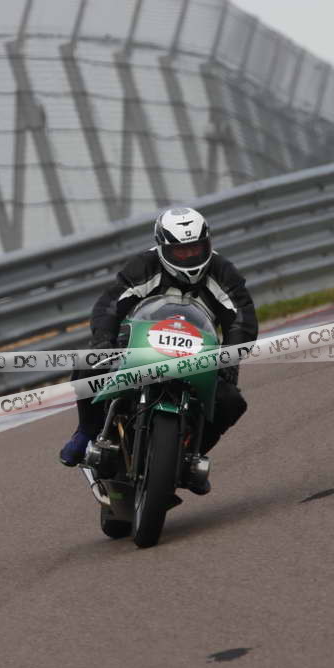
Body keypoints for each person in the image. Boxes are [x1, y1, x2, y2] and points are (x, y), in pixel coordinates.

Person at [59, 207, 258, 491]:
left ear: (208, 243)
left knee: (231, 402)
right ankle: (86, 431)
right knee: (88, 364)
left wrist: (230, 357)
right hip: (139, 347)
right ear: (163, 247)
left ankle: (190, 458)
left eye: (196, 248)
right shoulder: (144, 266)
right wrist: (104, 339)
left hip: (198, 356)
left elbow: (242, 317)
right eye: (181, 251)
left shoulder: (222, 271)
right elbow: (111, 304)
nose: (190, 256)